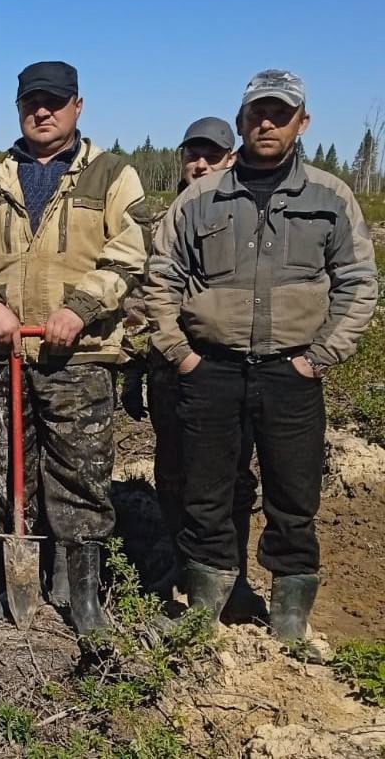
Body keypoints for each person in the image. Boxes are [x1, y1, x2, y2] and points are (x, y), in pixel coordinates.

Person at [145, 70, 378, 654]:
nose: (266, 123)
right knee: (205, 496)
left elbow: (358, 283)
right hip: (211, 371)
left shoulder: (330, 196)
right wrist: (182, 355)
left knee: (293, 499)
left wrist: (319, 358)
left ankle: (289, 620)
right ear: (242, 119)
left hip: (291, 372)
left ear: (303, 122)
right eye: (257, 113)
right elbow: (161, 279)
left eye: (280, 113)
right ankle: (208, 612)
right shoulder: (200, 198)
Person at [0, 61, 149, 636]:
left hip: (78, 357)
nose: (42, 111)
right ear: (18, 108)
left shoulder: (110, 174)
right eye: (32, 101)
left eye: (54, 102)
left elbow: (131, 251)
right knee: (3, 474)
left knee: (80, 475)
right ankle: (14, 586)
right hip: (3, 355)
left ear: (77, 106)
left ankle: (81, 593)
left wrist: (80, 308)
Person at [123, 118, 263, 617]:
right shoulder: (164, 220)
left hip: (230, 371)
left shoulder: (249, 213)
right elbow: (141, 297)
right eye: (192, 155)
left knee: (232, 475)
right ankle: (183, 567)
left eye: (212, 156)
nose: (200, 165)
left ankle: (233, 576)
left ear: (231, 158)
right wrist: (135, 368)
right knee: (173, 471)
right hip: (169, 370)